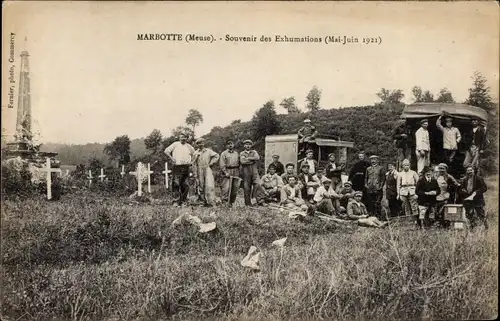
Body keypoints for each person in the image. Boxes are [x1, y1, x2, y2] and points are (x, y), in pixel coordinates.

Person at [164, 133, 196, 206]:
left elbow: (195, 154)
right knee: (176, 183)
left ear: (187, 139)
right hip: (177, 167)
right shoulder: (175, 144)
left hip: (186, 167)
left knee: (185, 185)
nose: (183, 139)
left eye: (185, 137)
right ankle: (176, 201)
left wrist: (192, 162)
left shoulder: (189, 146)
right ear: (179, 138)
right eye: (182, 137)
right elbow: (166, 151)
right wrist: (172, 158)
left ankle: (183, 201)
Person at [192, 138, 220, 207]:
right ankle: (202, 202)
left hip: (207, 168)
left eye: (201, 143)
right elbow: (193, 163)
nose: (200, 144)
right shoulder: (195, 153)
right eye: (198, 143)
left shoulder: (208, 151)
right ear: (197, 145)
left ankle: (211, 202)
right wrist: (195, 173)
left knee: (209, 185)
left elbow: (216, 156)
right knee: (201, 186)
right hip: (199, 169)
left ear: (204, 143)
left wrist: (211, 163)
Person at [240, 139, 265, 206]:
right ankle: (248, 204)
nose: (248, 146)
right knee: (247, 188)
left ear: (251, 145)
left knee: (258, 185)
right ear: (244, 145)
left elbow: (257, 158)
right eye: (246, 144)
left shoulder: (254, 152)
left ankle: (260, 201)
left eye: (249, 144)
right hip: (246, 172)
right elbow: (242, 161)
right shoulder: (242, 153)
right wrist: (252, 160)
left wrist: (248, 158)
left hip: (254, 172)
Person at [219, 139, 240, 205]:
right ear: (226, 145)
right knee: (226, 187)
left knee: (235, 188)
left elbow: (239, 163)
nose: (230, 145)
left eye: (231, 144)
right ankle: (224, 202)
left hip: (235, 171)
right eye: (228, 144)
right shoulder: (223, 153)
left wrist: (239, 172)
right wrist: (225, 172)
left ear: (234, 145)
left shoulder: (236, 153)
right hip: (227, 170)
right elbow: (222, 164)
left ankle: (231, 202)